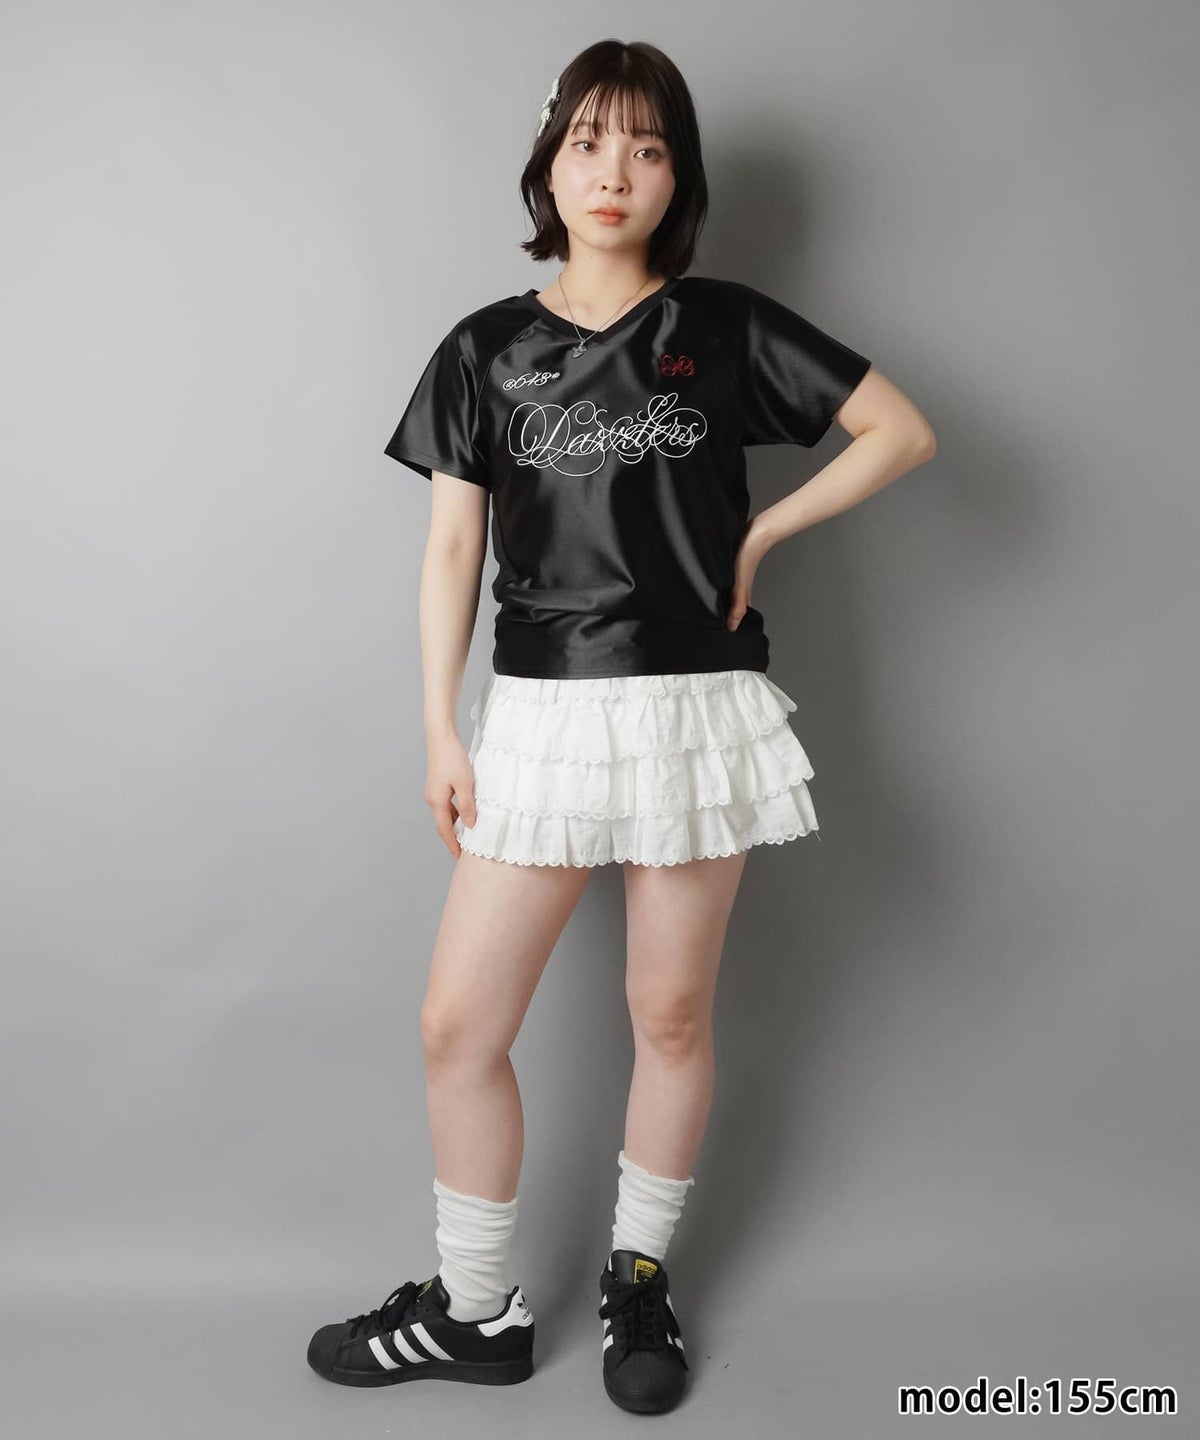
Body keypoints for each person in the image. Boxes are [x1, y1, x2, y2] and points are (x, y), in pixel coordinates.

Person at [306, 38, 935, 1416]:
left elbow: (900, 431)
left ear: (676, 178)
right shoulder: (485, 349)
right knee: (458, 1024)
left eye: (648, 148)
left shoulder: (727, 328)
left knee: (670, 1009)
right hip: (539, 716)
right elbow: (452, 552)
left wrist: (763, 531)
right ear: (549, 162)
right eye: (590, 141)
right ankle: (475, 1309)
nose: (615, 171)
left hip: (695, 709)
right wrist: (441, 729)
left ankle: (637, 1278)